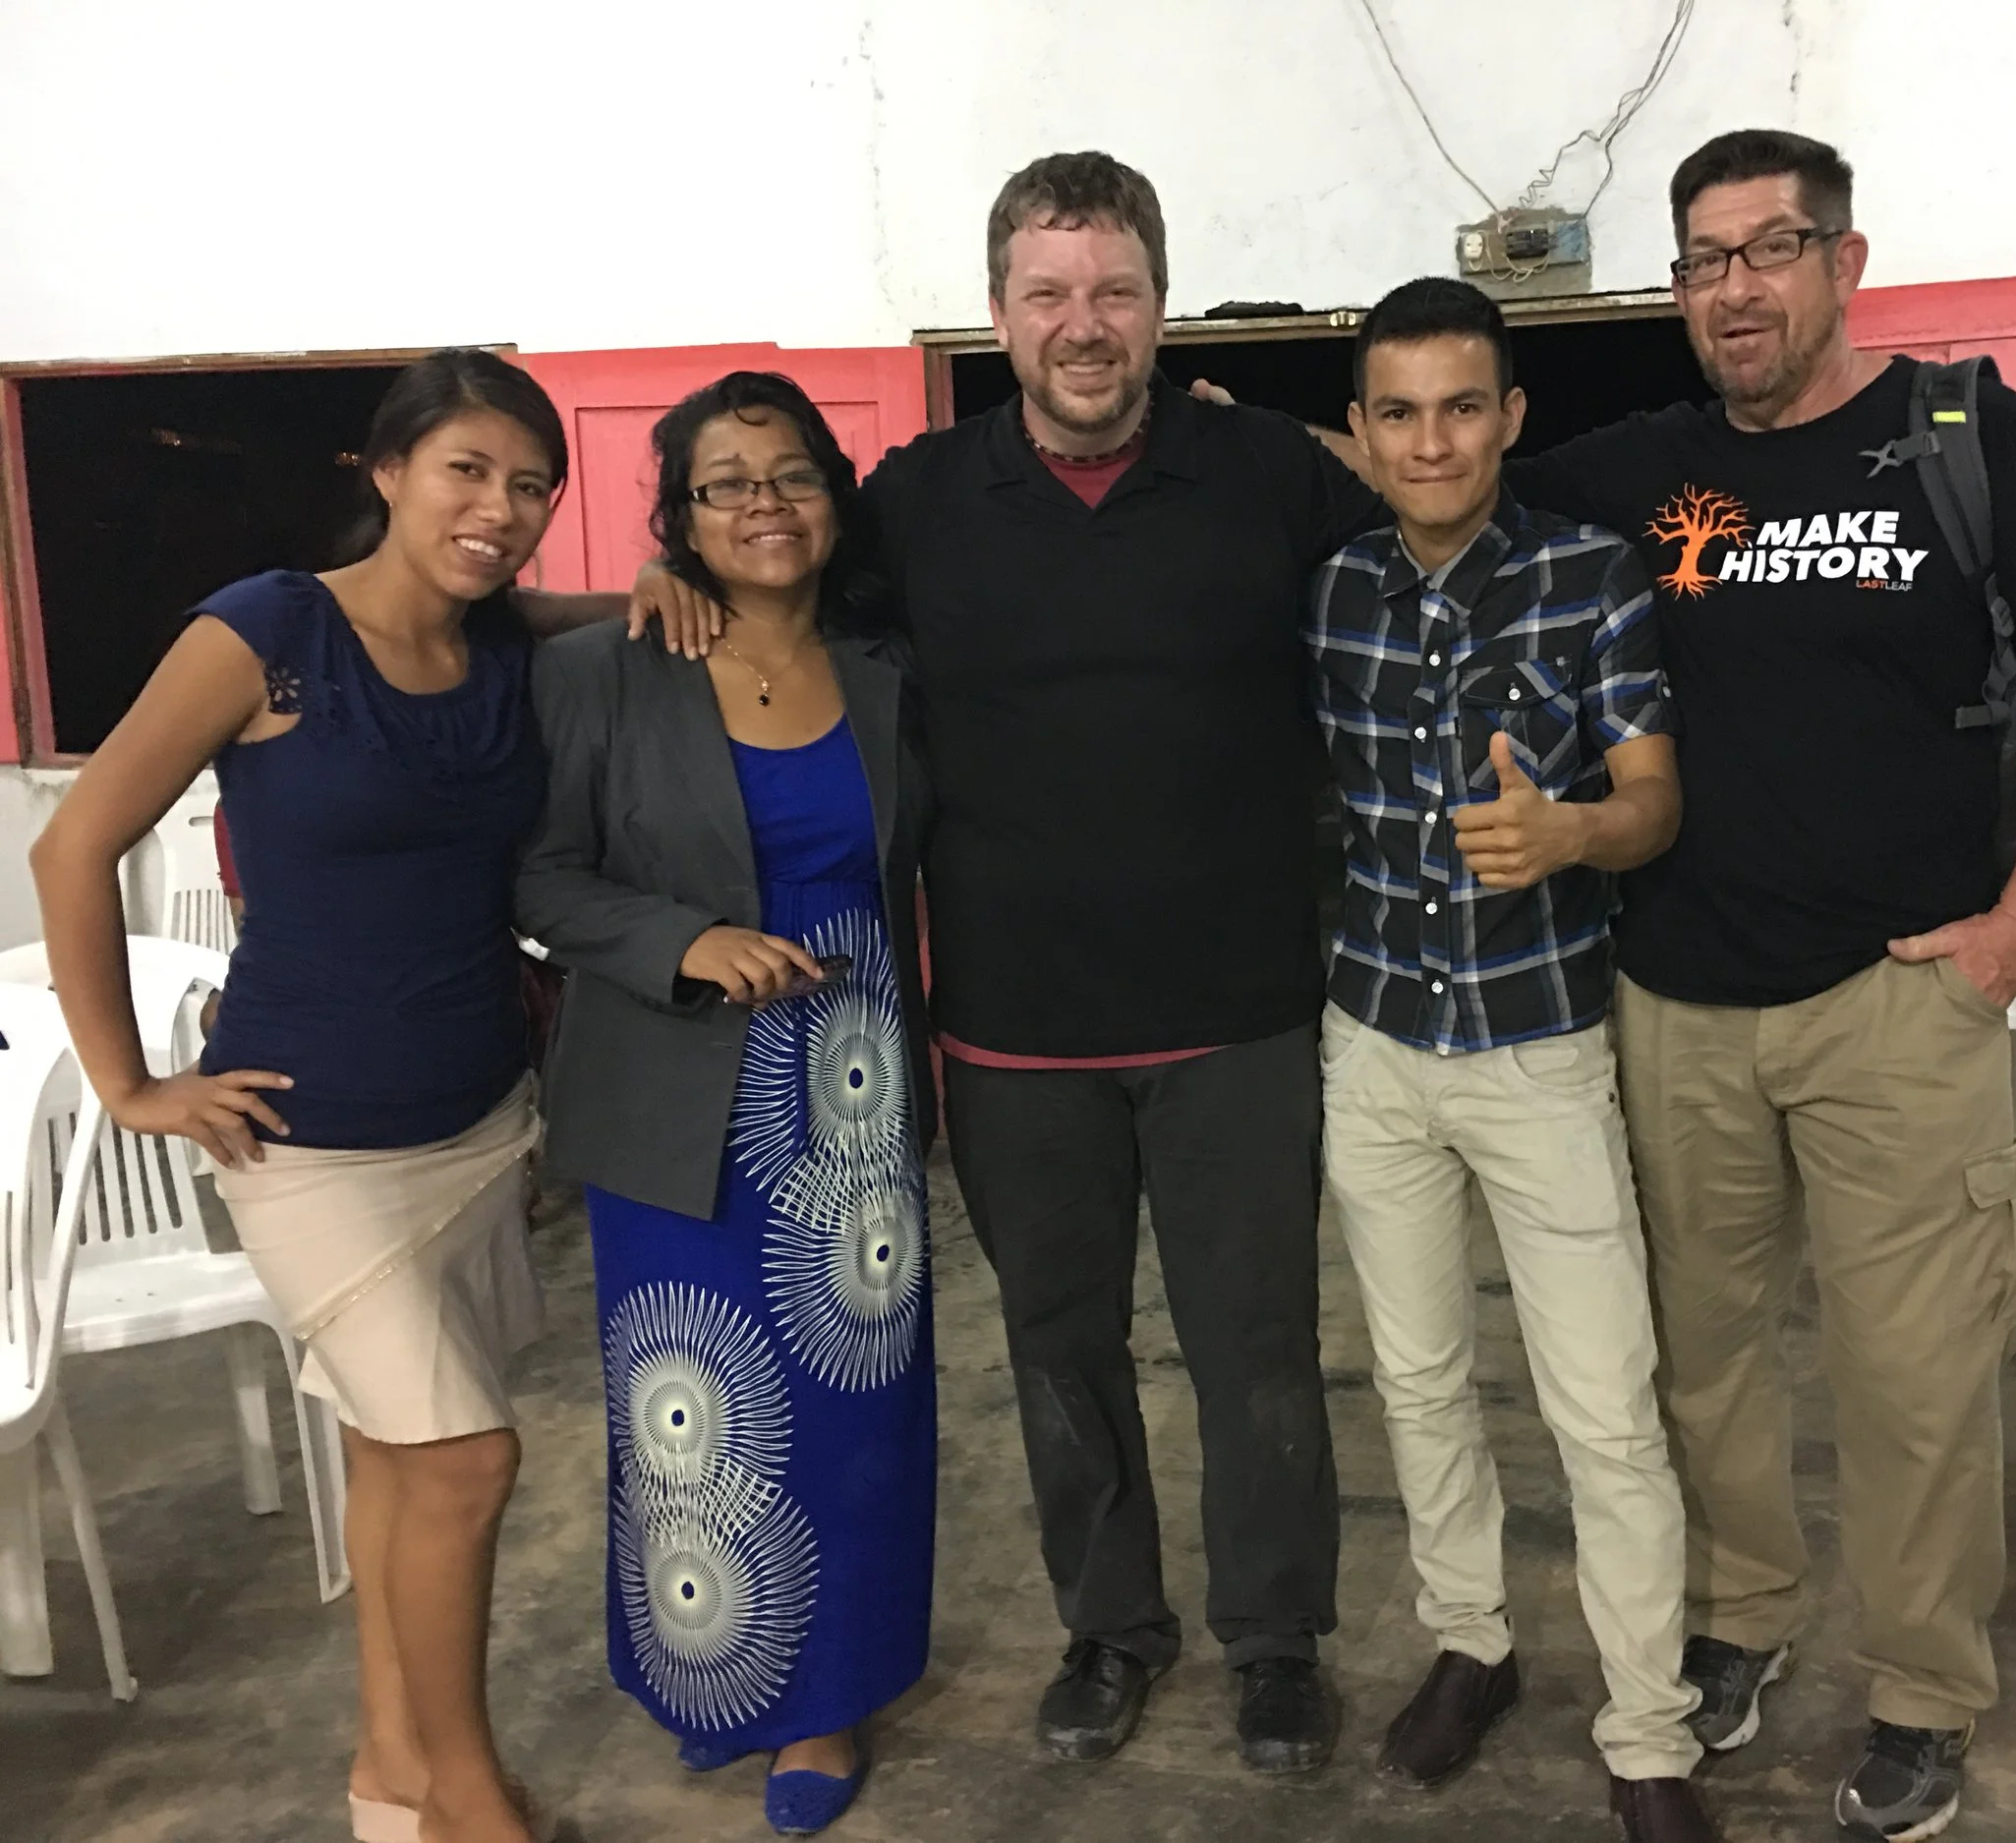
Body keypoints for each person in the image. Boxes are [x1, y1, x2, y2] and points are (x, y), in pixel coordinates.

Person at [630, 151, 1383, 1774]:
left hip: (1241, 1020)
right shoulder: (917, 501)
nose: (1083, 325)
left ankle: (1275, 1639)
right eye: (1048, 293)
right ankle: (1110, 1629)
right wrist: (669, 568)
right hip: (1015, 1032)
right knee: (1060, 1348)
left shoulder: (1271, 476)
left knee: (1257, 1345)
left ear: (1161, 301)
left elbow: (1440, 538)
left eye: (1113, 289)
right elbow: (775, 589)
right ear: (998, 314)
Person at [1488, 132, 2016, 1840]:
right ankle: (1741, 1621)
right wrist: (1242, 436)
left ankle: (1927, 1693)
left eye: (1771, 249)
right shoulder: (1637, 473)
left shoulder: (1971, 441)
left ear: (1845, 264)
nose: (1735, 287)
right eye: (1704, 259)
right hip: (1679, 1005)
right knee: (1703, 1361)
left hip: (1900, 998)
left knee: (1916, 1377)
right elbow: (1435, 482)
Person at [32, 349, 575, 1843]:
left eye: (532, 485)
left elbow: (602, 623)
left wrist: (670, 589)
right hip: (309, 1140)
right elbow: (71, 847)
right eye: (469, 468)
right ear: (387, 470)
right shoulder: (269, 633)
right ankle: (473, 1801)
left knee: (400, 1459)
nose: (500, 507)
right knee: (466, 1458)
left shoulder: (510, 650)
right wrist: (128, 1080)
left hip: (474, 1126)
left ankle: (391, 1776)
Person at [1308, 276, 1715, 1843]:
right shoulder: (1333, 589)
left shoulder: (1589, 575)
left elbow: (1655, 799)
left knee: (1604, 1402)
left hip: (1540, 1045)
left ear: (1511, 416)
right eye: (1398, 411)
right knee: (1416, 1378)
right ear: (1359, 433)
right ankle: (1471, 1640)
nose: (1433, 439)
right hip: (1377, 1042)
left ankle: (1647, 1729)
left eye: (1462, 406)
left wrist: (1570, 835)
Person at [516, 372, 934, 1837]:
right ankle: (714, 1671)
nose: (766, 505)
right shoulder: (606, 669)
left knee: (852, 1406)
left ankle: (825, 1694)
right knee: (691, 1404)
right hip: (678, 1088)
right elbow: (542, 877)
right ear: (678, 514)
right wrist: (679, 944)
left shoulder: (886, 659)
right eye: (725, 482)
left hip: (855, 1088)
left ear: (837, 491)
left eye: (793, 474)